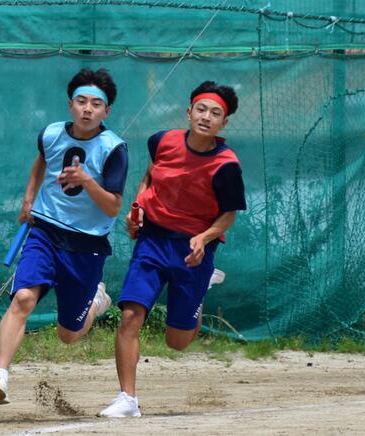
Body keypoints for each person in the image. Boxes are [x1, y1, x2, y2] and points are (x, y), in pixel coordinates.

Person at [99, 81, 245, 417]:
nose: (206, 117)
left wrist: (204, 238)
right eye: (201, 109)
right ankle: (127, 399)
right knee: (130, 316)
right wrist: (138, 207)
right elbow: (150, 177)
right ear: (188, 112)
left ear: (224, 123)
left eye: (215, 113)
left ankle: (202, 288)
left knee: (176, 342)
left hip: (193, 251)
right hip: (152, 241)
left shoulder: (226, 165)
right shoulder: (162, 141)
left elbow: (228, 216)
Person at [0, 68, 128, 405]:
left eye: (96, 104)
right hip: (45, 232)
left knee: (69, 335)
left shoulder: (114, 148)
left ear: (106, 111)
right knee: (23, 298)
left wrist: (87, 181)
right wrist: (28, 200)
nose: (87, 109)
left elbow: (113, 207)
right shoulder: (50, 134)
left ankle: (96, 300)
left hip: (86, 246)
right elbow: (41, 163)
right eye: (81, 101)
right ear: (70, 105)